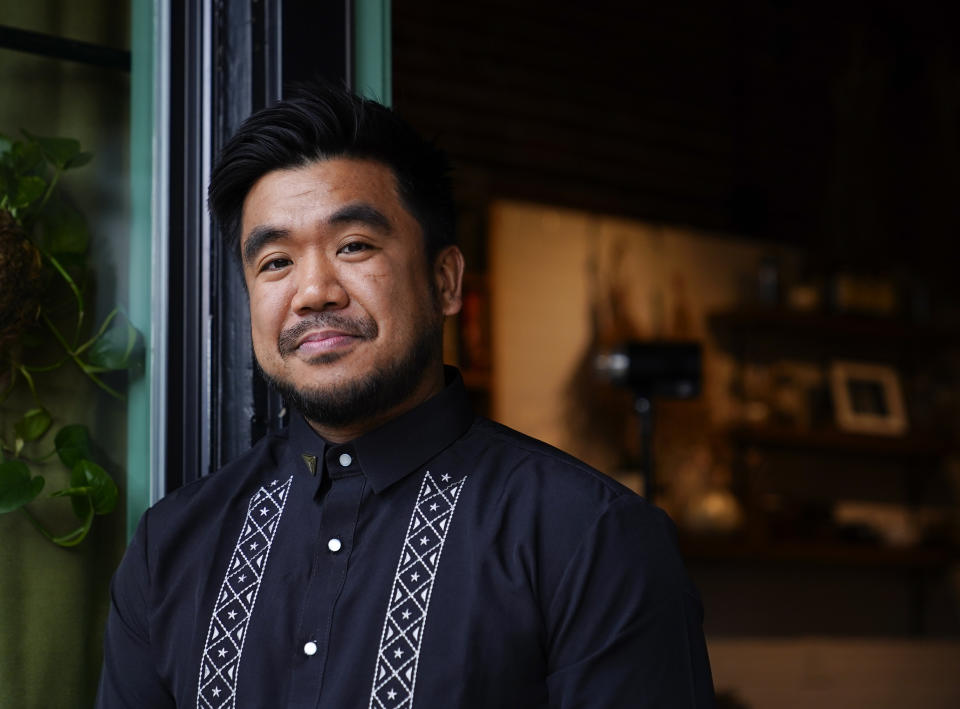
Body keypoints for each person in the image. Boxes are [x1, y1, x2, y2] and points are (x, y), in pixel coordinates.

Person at [96, 82, 714, 708]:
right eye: (275, 262)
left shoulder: (590, 537)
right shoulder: (172, 549)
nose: (313, 291)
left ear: (445, 281)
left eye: (354, 246)